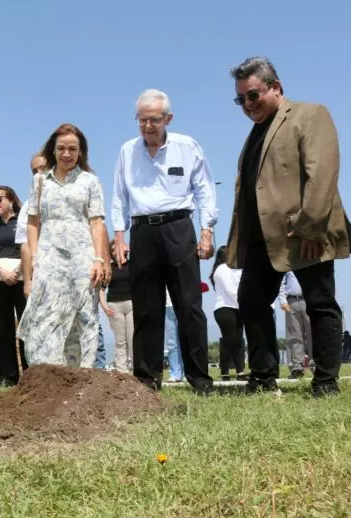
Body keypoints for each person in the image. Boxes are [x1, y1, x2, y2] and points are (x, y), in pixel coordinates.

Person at [224, 56, 351, 397]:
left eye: (253, 95)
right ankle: (262, 378)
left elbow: (322, 174)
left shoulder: (310, 114)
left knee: (320, 302)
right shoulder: (254, 134)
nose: (248, 104)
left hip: (303, 232)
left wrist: (310, 227)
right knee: (251, 301)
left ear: (276, 87)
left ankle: (326, 381)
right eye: (240, 99)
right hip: (262, 237)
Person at [110, 89, 216, 394]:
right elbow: (119, 196)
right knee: (146, 307)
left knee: (189, 305)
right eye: (141, 120)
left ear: (168, 119)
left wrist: (206, 230)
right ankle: (146, 380)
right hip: (142, 231)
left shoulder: (187, 146)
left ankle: (199, 378)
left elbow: (205, 190)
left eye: (154, 120)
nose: (147, 126)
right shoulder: (127, 151)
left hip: (179, 228)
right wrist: (119, 237)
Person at [18, 123, 111, 368]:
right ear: (53, 150)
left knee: (84, 314)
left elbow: (97, 223)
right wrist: (36, 257)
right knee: (46, 312)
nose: (67, 154)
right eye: (61, 148)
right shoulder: (39, 181)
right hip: (49, 256)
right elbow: (33, 222)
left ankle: (83, 373)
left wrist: (99, 259)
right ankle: (47, 372)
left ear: (80, 152)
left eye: (72, 149)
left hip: (83, 257)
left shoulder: (90, 181)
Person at [0, 186, 28, 386]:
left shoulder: (23, 221)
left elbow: (31, 247)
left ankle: (31, 372)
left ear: (10, 199)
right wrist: (1, 271)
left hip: (23, 278)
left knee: (26, 325)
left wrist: (18, 270)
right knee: (2, 328)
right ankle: (7, 377)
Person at [210, 246, 247, 381]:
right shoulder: (222, 269)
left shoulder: (232, 269)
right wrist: (245, 301)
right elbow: (231, 290)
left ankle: (239, 372)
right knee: (230, 341)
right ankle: (226, 371)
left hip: (236, 308)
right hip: (225, 308)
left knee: (237, 341)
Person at [99, 240, 133, 373]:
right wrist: (104, 307)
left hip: (131, 304)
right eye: (113, 249)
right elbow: (101, 290)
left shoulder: (133, 265)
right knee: (120, 341)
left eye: (118, 248)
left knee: (132, 338)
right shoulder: (109, 268)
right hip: (114, 306)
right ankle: (122, 371)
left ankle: (136, 370)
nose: (115, 251)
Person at [18, 154, 47, 297]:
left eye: (43, 168)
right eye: (34, 171)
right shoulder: (28, 207)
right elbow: (25, 246)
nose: (39, 174)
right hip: (42, 274)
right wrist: (27, 282)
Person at [278, 272, 313, 379]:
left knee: (313, 334)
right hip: (291, 300)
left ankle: (315, 364)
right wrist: (282, 300)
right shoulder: (287, 265)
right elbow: (281, 281)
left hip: (310, 299)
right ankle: (296, 367)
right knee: (294, 335)